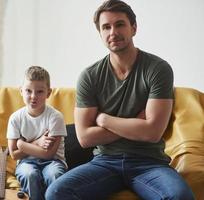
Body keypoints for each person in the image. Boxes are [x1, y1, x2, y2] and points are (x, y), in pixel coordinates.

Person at [45, 0, 194, 199]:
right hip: (105, 162)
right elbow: (85, 137)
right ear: (100, 33)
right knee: (56, 192)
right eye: (106, 27)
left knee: (180, 196)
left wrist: (104, 120)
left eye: (120, 24)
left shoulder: (158, 69)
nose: (113, 32)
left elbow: (152, 132)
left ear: (134, 28)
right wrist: (137, 122)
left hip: (148, 162)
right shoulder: (90, 76)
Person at [7, 66, 67, 200]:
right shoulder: (15, 118)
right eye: (28, 91)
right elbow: (14, 154)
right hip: (26, 163)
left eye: (40, 91)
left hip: (53, 161)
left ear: (48, 93)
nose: (33, 97)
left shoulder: (55, 117)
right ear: (21, 91)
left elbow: (48, 153)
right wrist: (38, 142)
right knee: (29, 175)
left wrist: (22, 144)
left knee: (54, 174)